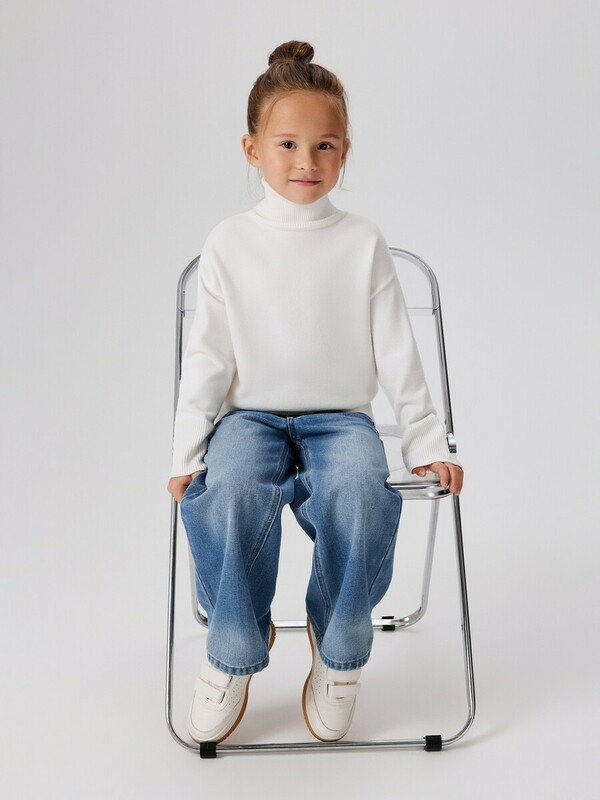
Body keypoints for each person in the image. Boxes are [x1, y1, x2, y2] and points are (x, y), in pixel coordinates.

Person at [166, 39, 464, 746]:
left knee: (361, 491)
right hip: (249, 418)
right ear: (252, 149)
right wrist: (184, 452)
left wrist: (427, 441)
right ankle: (235, 644)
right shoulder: (229, 242)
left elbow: (398, 350)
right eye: (288, 144)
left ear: (345, 151)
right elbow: (207, 357)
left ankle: (337, 646)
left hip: (341, 418)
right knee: (229, 489)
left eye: (325, 145)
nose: (307, 161)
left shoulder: (361, 242)